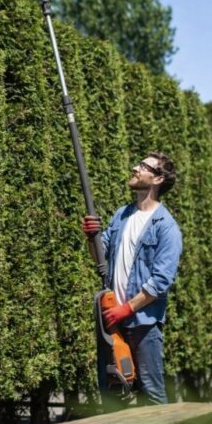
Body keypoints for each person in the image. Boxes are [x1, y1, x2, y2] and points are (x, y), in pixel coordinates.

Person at [81, 151, 182, 405]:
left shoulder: (166, 226)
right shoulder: (122, 215)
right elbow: (100, 257)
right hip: (112, 321)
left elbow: (160, 281)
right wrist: (92, 238)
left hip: (143, 324)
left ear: (158, 179)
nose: (135, 168)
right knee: (112, 393)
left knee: (152, 394)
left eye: (143, 166)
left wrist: (126, 309)